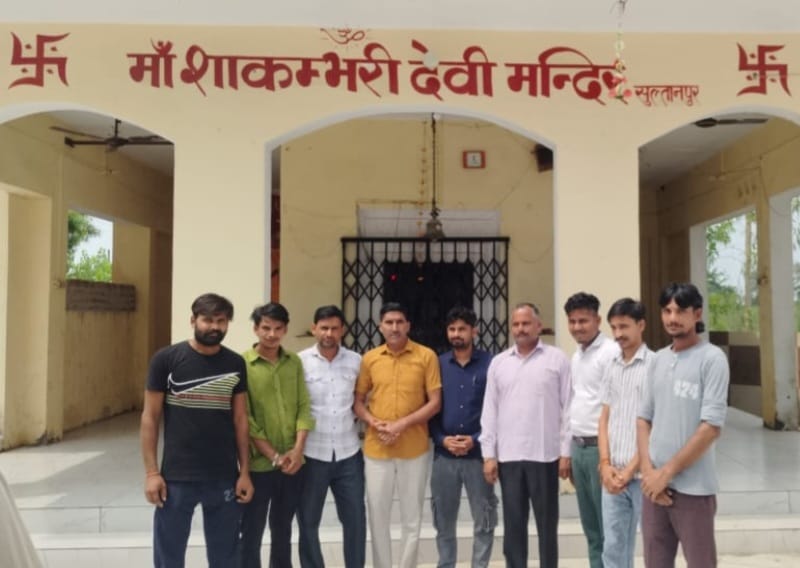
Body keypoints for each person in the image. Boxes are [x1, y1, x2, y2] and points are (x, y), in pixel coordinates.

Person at [140, 293, 253, 568]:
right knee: (169, 555)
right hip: (177, 478)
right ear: (193, 320)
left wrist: (244, 472)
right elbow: (150, 418)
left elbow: (240, 419)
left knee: (226, 556)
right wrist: (152, 473)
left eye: (221, 321)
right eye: (207, 320)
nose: (214, 327)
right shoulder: (166, 360)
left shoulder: (235, 364)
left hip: (223, 476)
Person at [637, 282, 729, 568]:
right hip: (654, 490)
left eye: (680, 311)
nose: (672, 318)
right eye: (667, 311)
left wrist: (666, 473)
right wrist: (649, 473)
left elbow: (710, 427)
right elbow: (643, 418)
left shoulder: (712, 359)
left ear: (697, 314)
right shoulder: (658, 360)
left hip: (694, 490)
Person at [480, 302, 572, 568]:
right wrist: (489, 455)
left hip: (545, 456)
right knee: (513, 527)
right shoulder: (499, 363)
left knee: (547, 527)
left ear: (538, 326)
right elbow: (490, 411)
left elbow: (569, 408)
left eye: (526, 323)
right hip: (509, 458)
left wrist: (566, 452)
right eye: (516, 324)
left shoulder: (557, 359)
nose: (520, 329)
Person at [354, 302, 442, 568]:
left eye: (399, 322)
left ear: (408, 325)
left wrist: (401, 425)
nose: (394, 327)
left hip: (413, 449)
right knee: (378, 516)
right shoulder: (370, 359)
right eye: (389, 322)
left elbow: (435, 402)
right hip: (377, 449)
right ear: (380, 327)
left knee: (412, 518)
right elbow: (358, 402)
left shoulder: (426, 356)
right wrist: (374, 422)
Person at [240, 302, 315, 568]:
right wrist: (274, 456)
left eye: (278, 328)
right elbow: (245, 418)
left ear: (285, 329)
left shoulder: (293, 362)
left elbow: (304, 406)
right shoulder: (243, 364)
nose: (271, 334)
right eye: (266, 328)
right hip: (259, 466)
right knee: (252, 530)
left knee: (283, 530)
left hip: (293, 465)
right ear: (255, 329)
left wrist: (297, 450)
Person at [297, 305, 366, 568]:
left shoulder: (356, 361)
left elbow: (362, 398)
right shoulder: (299, 362)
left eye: (334, 328)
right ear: (314, 329)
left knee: (355, 520)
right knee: (308, 520)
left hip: (349, 454)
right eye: (324, 328)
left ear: (342, 330)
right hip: (312, 454)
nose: (329, 333)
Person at [429, 306, 498, 568]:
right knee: (443, 522)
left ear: (474, 331)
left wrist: (476, 438)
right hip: (444, 457)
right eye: (452, 329)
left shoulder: (491, 364)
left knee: (484, 520)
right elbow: (430, 407)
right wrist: (441, 439)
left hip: (478, 456)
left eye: (462, 329)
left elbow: (497, 409)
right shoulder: (437, 364)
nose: (456, 334)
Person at [564, 292, 620, 568]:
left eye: (583, 321)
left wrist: (608, 458)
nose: (577, 327)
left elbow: (617, 406)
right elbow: (574, 403)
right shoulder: (577, 356)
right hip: (579, 449)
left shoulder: (610, 353)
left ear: (597, 320)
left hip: (601, 450)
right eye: (572, 321)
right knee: (592, 529)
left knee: (609, 528)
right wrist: (568, 451)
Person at [597, 298, 652, 568]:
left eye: (624, 326)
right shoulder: (611, 365)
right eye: (614, 327)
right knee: (613, 548)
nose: (618, 334)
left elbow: (655, 425)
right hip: (612, 475)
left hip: (644, 477)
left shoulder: (656, 366)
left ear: (641, 325)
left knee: (653, 545)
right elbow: (604, 418)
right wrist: (605, 464)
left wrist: (630, 470)